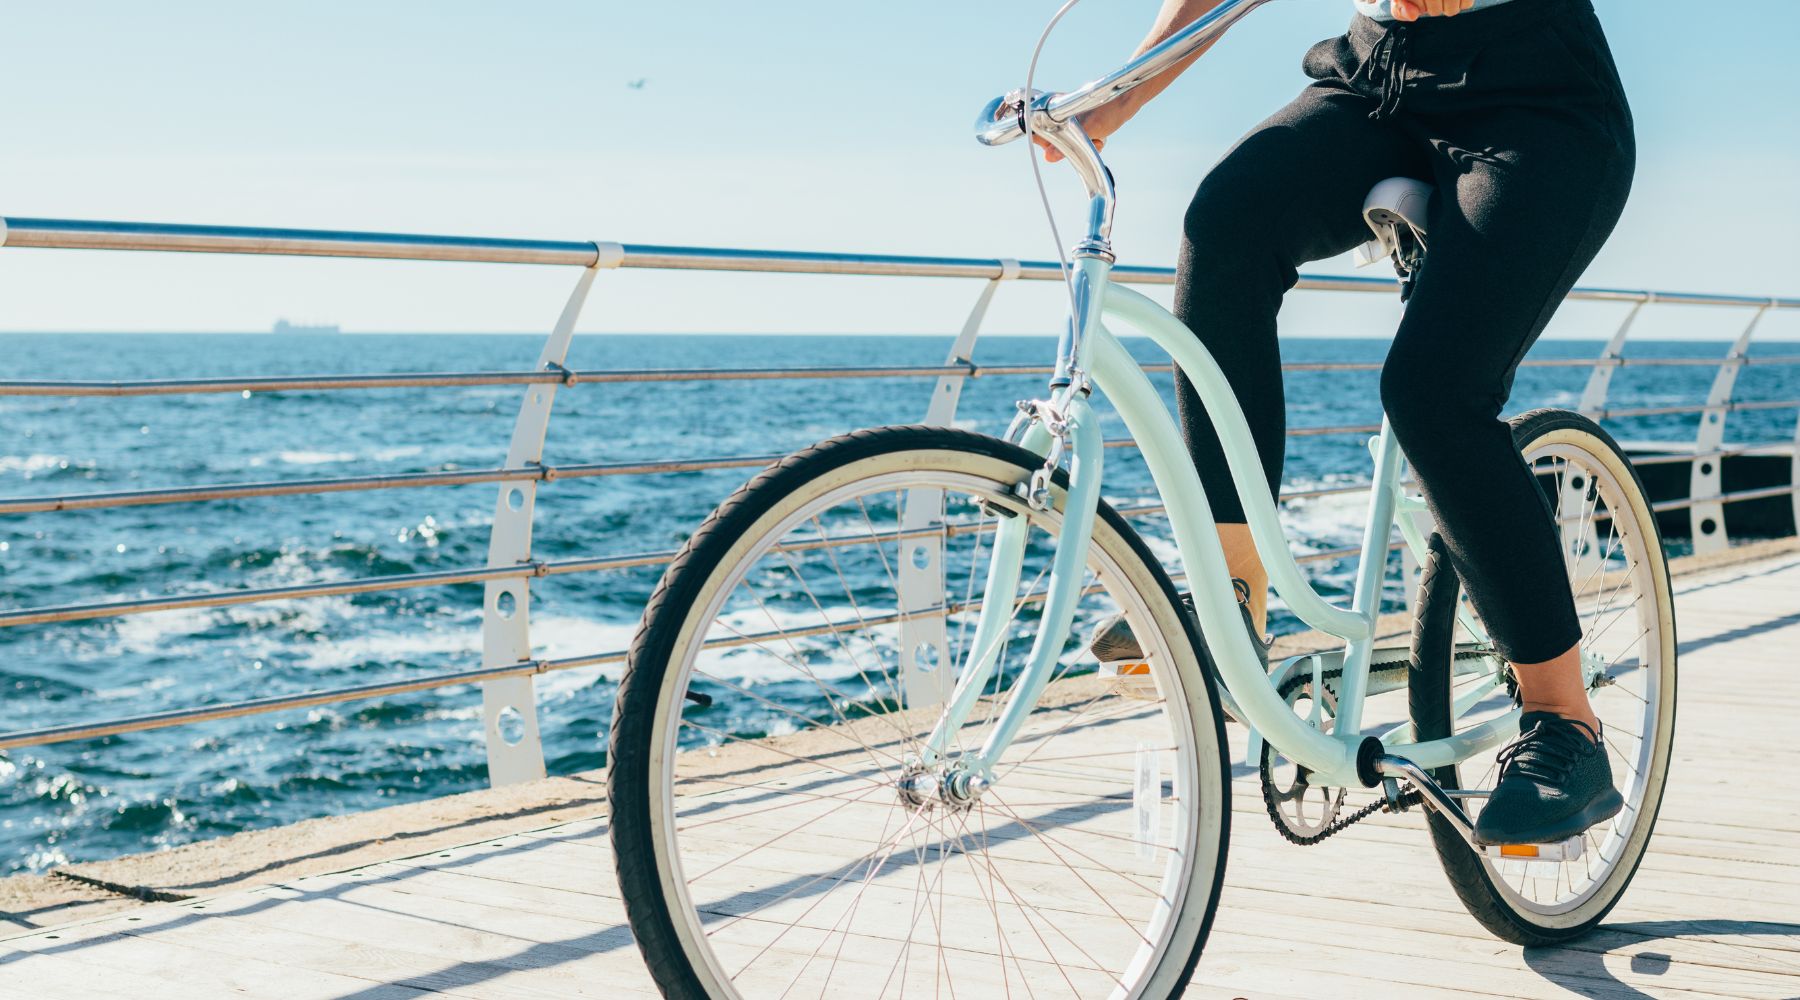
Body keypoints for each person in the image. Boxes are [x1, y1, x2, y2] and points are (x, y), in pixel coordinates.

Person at [1071, 0, 1634, 845]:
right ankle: (1233, 598)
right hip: (1379, 73)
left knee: (1433, 391)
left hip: (1536, 94)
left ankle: (1565, 725)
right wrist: (1121, 94)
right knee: (1223, 228)